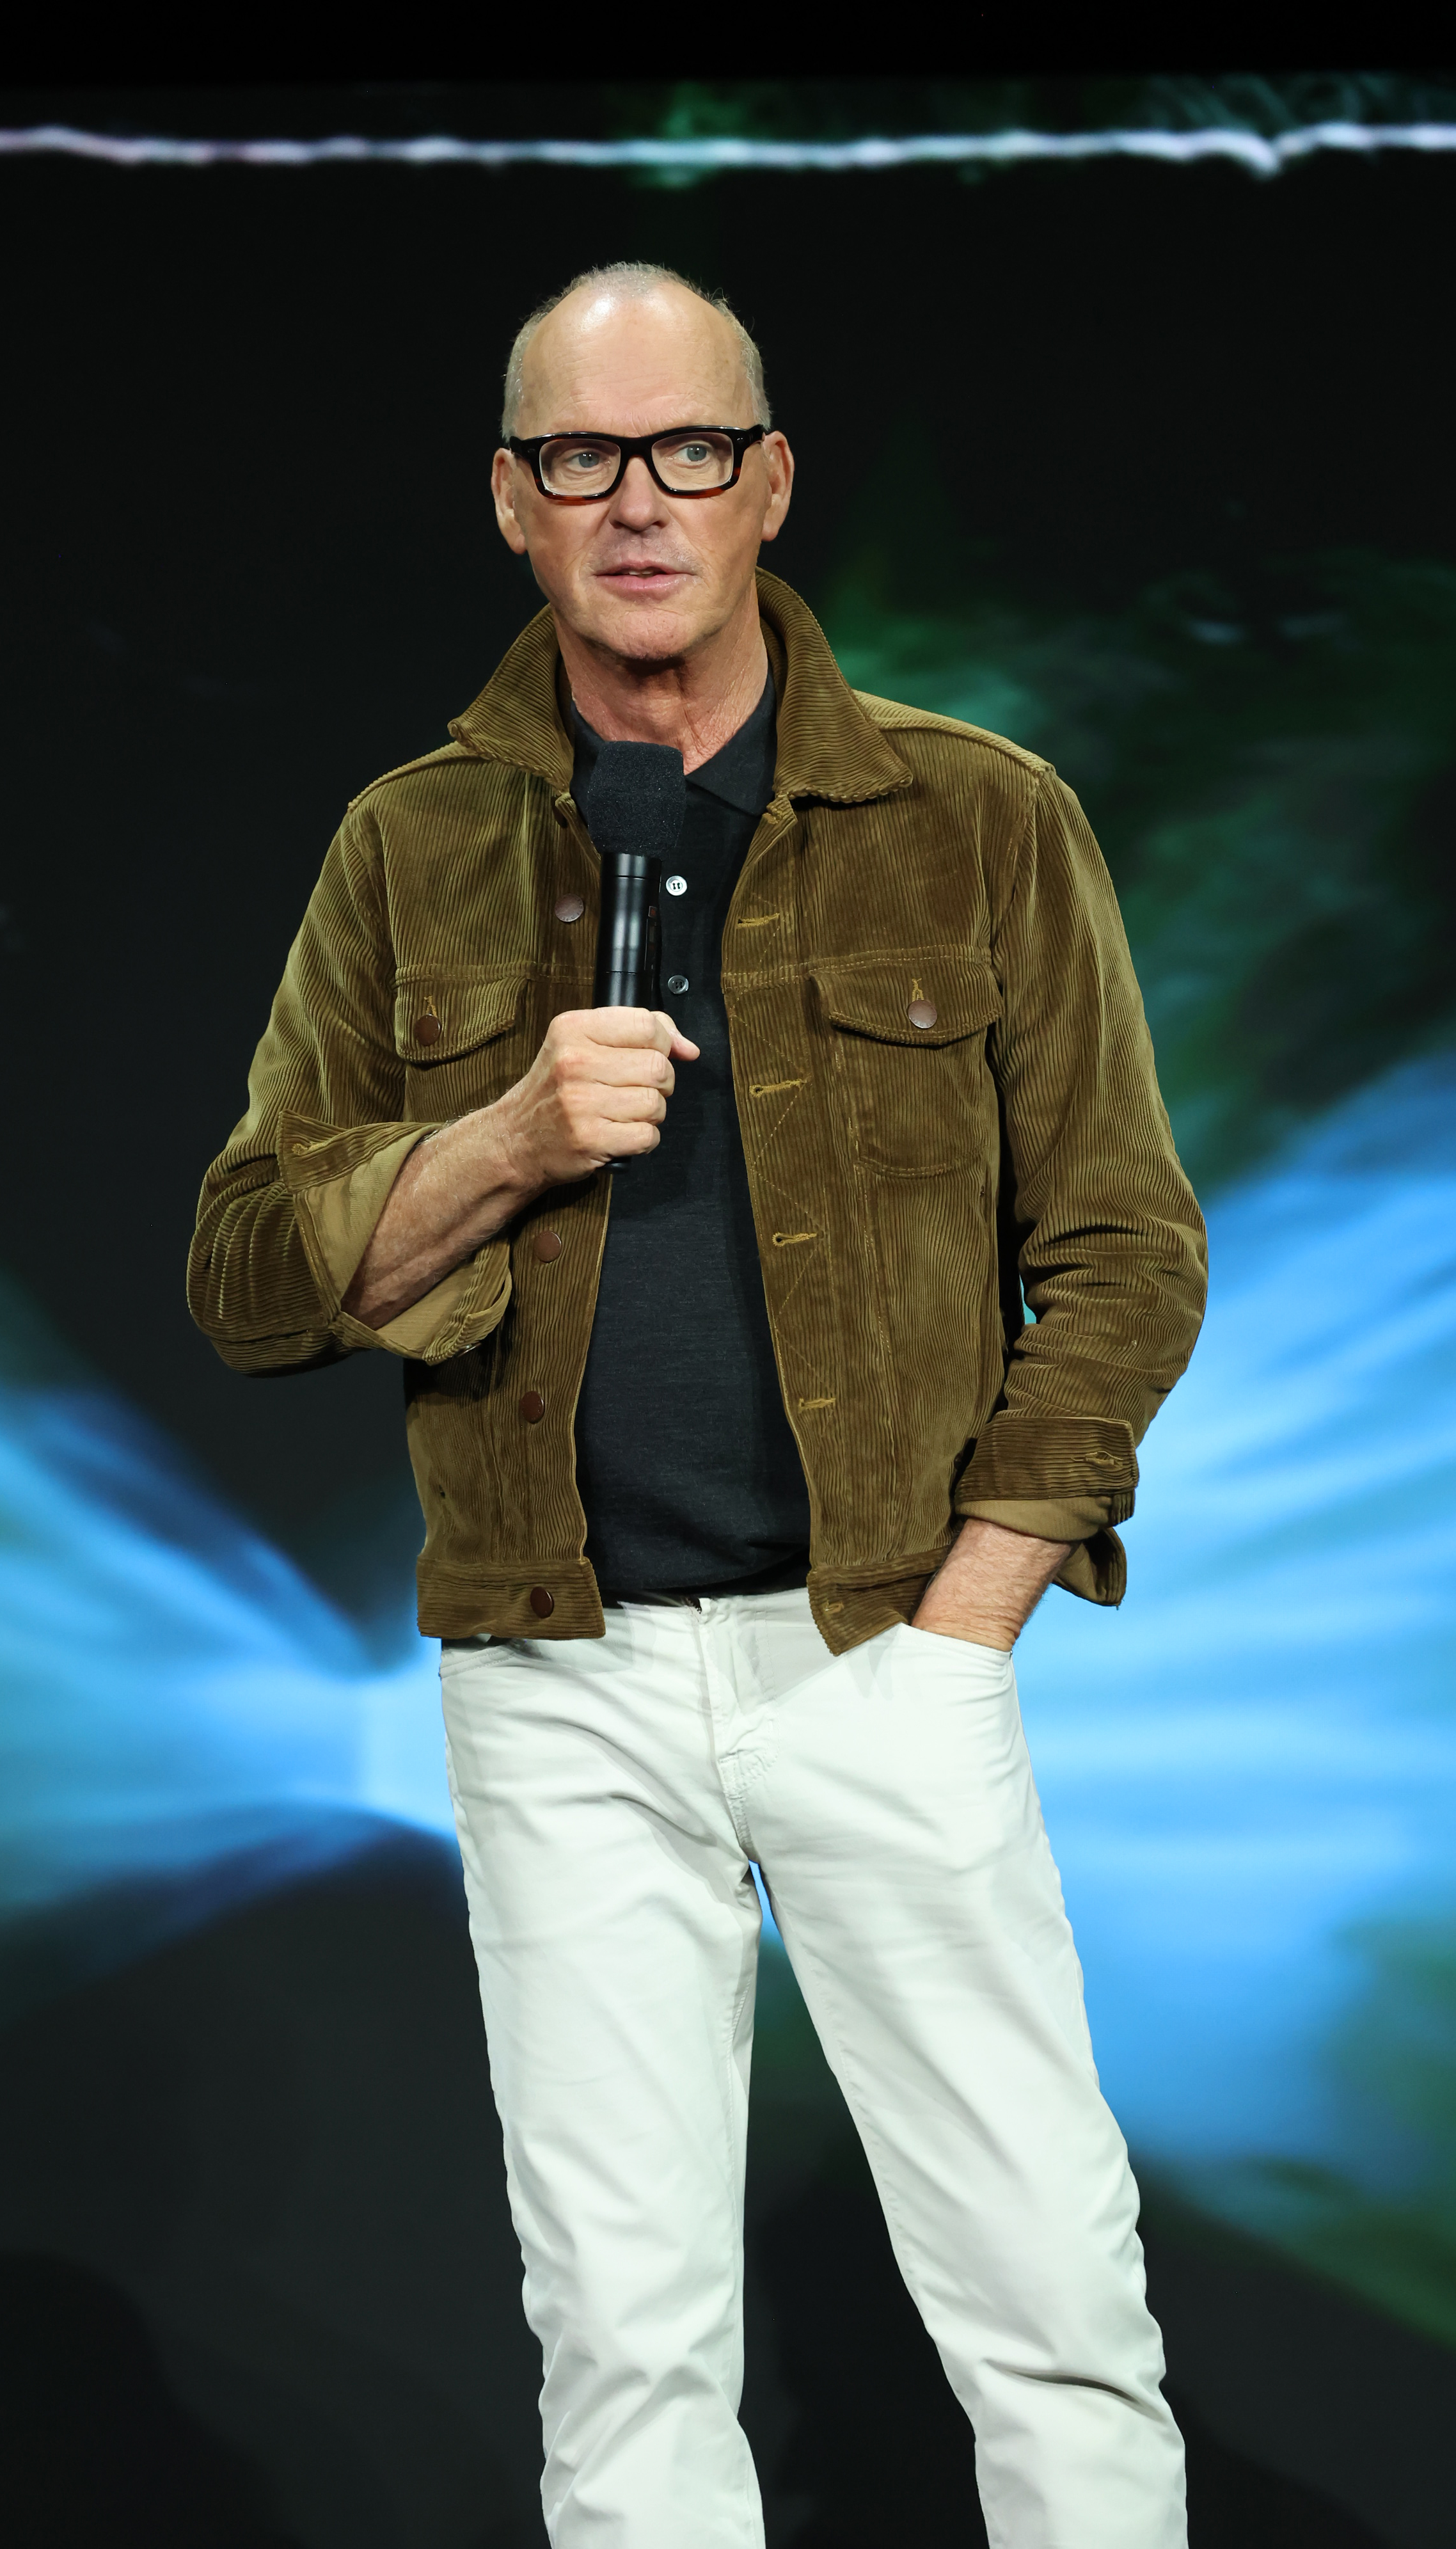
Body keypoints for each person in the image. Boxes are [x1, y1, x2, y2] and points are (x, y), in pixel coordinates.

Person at [190, 261, 1207, 2547]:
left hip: (883, 1644)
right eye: (582, 455)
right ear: (511, 500)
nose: (636, 501)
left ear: (768, 481)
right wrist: (499, 1144)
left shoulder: (978, 816)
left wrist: (968, 1624)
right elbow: (248, 1275)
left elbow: (1128, 1246)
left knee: (1048, 2303)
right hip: (554, 1675)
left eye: (686, 450)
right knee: (624, 2340)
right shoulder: (410, 843)